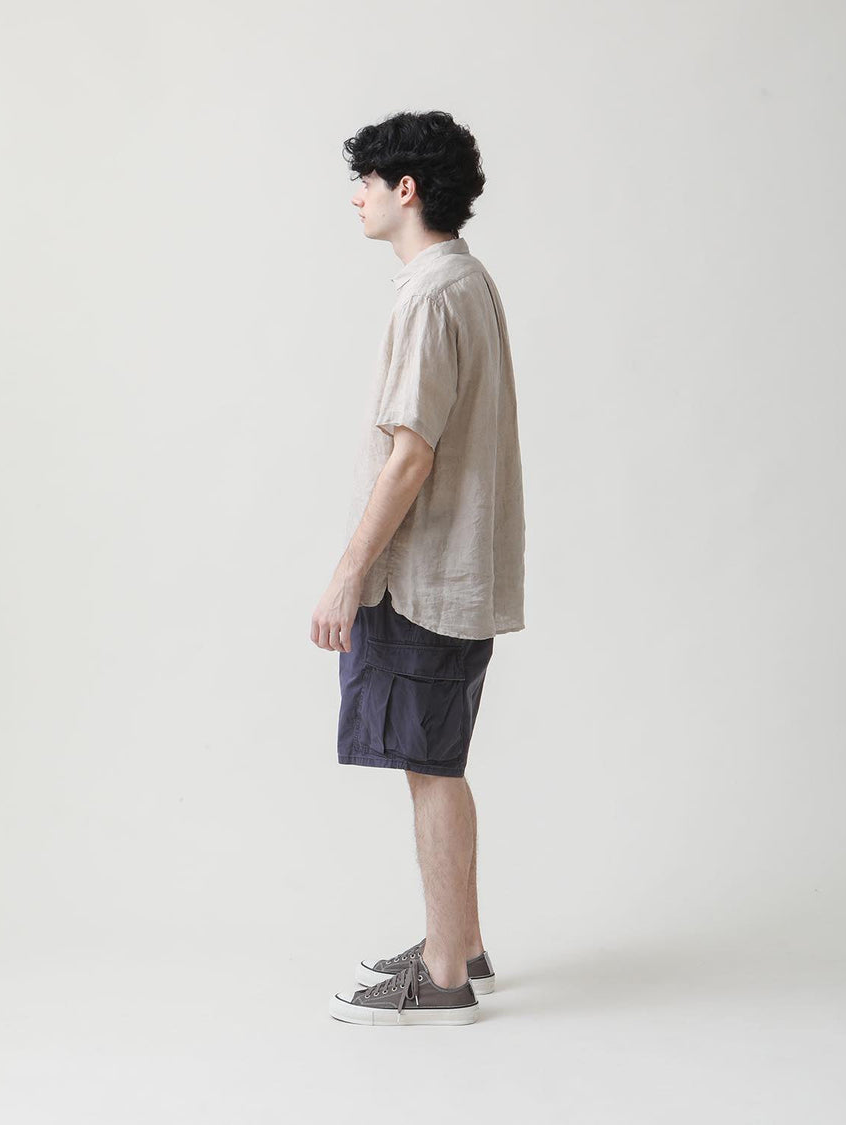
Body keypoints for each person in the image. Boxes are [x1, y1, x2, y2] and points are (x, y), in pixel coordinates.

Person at [311, 110, 526, 1026]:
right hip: (452, 571)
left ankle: (444, 978)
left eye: (366, 180)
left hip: (424, 576)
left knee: (431, 766)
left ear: (406, 189)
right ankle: (460, 942)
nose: (355, 196)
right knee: (434, 758)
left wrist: (346, 572)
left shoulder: (433, 294)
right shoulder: (463, 280)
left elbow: (411, 456)